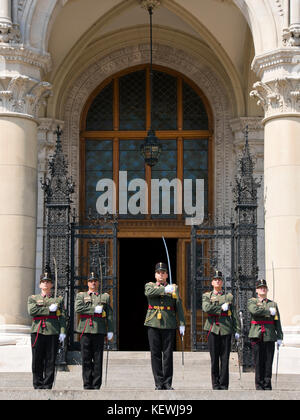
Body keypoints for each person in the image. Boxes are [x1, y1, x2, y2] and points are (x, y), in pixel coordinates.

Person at [144, 262, 185, 390]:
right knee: (155, 353)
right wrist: (164, 289)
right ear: (155, 275)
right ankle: (158, 382)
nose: (161, 275)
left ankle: (167, 382)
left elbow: (178, 306)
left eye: (163, 273)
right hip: (153, 322)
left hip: (169, 322)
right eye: (158, 273)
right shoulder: (150, 285)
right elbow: (149, 293)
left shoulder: (174, 287)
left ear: (167, 275)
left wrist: (182, 323)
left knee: (168, 354)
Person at [27, 270, 66, 389]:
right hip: (37, 331)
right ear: (40, 284)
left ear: (51, 285)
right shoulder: (33, 298)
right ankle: (38, 384)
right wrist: (49, 309)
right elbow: (32, 311)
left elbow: (62, 316)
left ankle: (48, 384)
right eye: (43, 282)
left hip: (52, 331)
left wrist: (63, 332)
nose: (45, 284)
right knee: (37, 359)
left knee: (50, 359)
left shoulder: (58, 300)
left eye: (48, 282)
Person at [75, 271, 114, 390]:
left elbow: (109, 315)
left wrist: (110, 330)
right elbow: (78, 308)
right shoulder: (81, 296)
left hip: (99, 329)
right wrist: (93, 309)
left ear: (98, 282)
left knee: (98, 360)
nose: (93, 283)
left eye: (95, 281)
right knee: (86, 359)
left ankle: (96, 385)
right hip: (85, 330)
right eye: (91, 281)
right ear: (88, 283)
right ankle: (87, 384)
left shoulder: (104, 297)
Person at [202, 270, 240, 390]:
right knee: (214, 359)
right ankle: (215, 384)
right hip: (213, 328)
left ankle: (224, 384)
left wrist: (237, 329)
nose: (217, 281)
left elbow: (233, 314)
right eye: (215, 280)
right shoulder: (207, 296)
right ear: (212, 282)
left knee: (225, 359)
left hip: (226, 329)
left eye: (219, 280)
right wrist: (220, 308)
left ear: (222, 282)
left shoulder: (228, 297)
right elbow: (206, 308)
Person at [248, 278, 283, 390]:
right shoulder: (252, 301)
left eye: (264, 288)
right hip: (257, 334)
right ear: (257, 290)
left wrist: (280, 336)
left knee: (268, 361)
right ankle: (259, 384)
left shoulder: (273, 304)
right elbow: (254, 311)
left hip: (269, 335)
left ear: (267, 290)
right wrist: (268, 312)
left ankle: (267, 384)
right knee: (258, 361)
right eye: (260, 288)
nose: (263, 289)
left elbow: (277, 321)